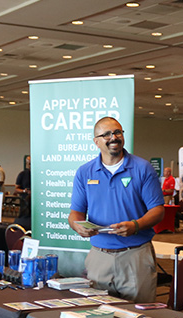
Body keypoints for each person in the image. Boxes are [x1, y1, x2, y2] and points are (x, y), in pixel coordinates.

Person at [68, 117, 164, 303]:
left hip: (135, 256)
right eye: (106, 134)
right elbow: (75, 213)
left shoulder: (142, 168)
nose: (114, 137)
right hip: (99, 256)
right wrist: (77, 225)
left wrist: (136, 225)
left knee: (139, 317)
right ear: (96, 141)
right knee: (97, 315)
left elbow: (158, 211)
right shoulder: (84, 172)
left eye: (117, 132)